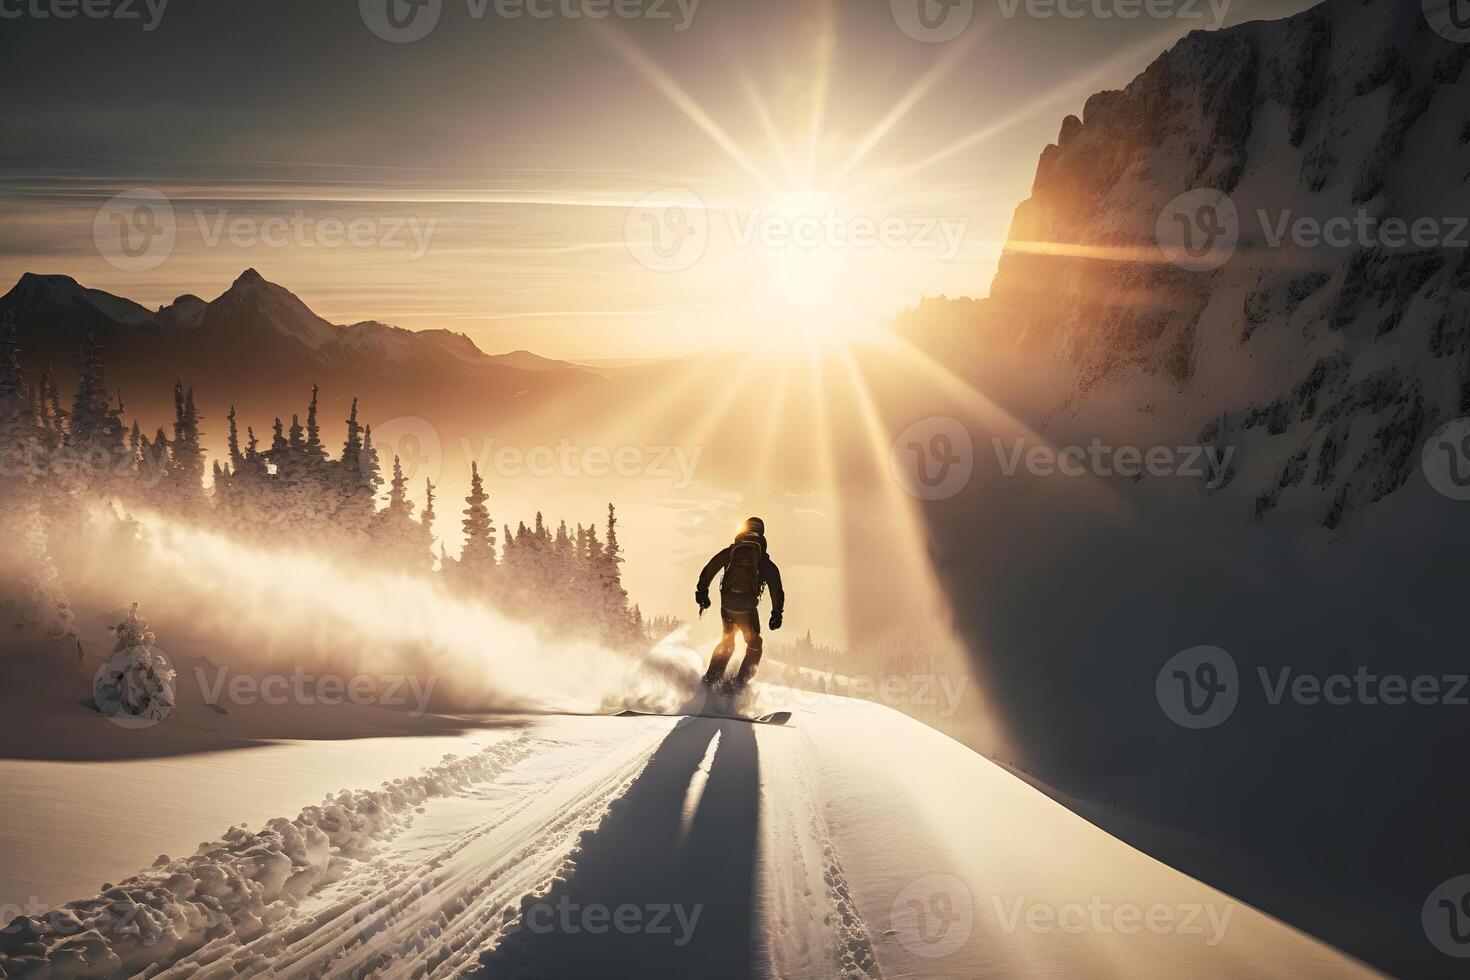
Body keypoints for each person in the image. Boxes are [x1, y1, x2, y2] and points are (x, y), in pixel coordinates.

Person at [695, 516, 784, 690]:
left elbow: (710, 568)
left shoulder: (731, 552)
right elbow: (776, 588)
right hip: (746, 609)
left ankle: (710, 681)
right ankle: (738, 684)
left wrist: (702, 591)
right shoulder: (762, 560)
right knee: (754, 644)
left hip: (727, 604)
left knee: (727, 642)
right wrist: (776, 613)